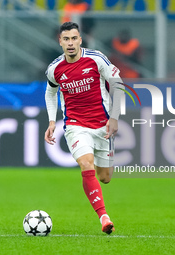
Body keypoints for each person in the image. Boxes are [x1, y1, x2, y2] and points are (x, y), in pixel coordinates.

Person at [44, 22, 124, 234]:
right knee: (85, 164)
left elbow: (117, 84)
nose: (70, 43)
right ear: (59, 42)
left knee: (105, 177)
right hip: (75, 126)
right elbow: (50, 93)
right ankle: (104, 217)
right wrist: (52, 121)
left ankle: (99, 190)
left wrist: (114, 117)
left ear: (80, 39)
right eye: (66, 39)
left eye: (74, 38)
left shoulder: (96, 59)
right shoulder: (55, 69)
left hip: (102, 125)